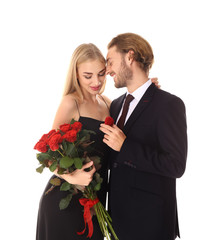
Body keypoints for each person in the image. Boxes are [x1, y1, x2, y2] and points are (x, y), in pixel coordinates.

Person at [35, 42, 161, 240]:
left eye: (101, 73)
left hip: (96, 204)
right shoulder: (71, 102)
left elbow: (126, 135)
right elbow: (48, 155)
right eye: (88, 76)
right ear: (76, 74)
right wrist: (72, 177)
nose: (96, 81)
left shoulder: (108, 103)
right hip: (65, 202)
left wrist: (145, 91)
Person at [100, 33, 187, 240]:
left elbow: (175, 165)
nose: (108, 70)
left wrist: (126, 146)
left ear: (130, 56)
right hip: (117, 223)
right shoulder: (116, 105)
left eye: (110, 62)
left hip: (151, 224)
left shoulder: (169, 105)